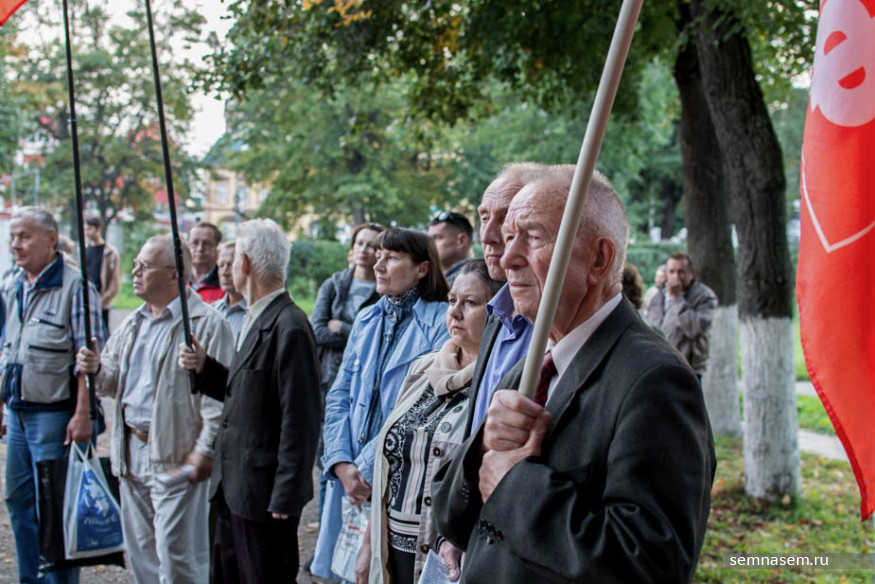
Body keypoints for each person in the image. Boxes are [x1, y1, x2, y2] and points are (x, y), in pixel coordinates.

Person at [432, 172, 716, 583]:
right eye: (509, 237)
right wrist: (481, 452)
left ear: (598, 259)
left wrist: (514, 486)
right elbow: (452, 520)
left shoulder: (656, 381)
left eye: (532, 236)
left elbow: (652, 564)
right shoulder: (531, 366)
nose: (508, 258)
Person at [75, 235, 234, 584]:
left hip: (177, 455)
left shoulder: (205, 324)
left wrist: (204, 450)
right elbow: (111, 382)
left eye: (144, 266)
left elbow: (220, 399)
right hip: (130, 451)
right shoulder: (134, 321)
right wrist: (97, 369)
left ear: (174, 274)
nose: (134, 272)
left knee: (178, 559)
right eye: (136, 264)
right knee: (142, 554)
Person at [178, 218, 322, 583]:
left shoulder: (289, 325)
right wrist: (205, 368)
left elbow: (301, 419)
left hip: (264, 498)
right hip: (234, 488)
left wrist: (287, 494)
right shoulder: (257, 316)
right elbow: (251, 392)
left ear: (244, 263)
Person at [311, 228, 451, 580]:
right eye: (378, 256)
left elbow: (424, 406)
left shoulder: (441, 322)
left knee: (380, 571)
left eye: (391, 258)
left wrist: (366, 467)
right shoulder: (366, 318)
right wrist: (339, 460)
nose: (378, 265)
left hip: (397, 476)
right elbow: (339, 394)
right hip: (351, 475)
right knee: (347, 570)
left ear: (421, 269)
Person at [358, 260, 502, 584]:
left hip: (443, 556)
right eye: (452, 301)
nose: (455, 313)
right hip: (391, 548)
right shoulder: (423, 369)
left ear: (497, 311)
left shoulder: (497, 382)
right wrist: (369, 545)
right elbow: (389, 464)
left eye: (470, 302)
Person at [1, 207, 105, 584]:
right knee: (18, 500)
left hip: (55, 417)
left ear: (50, 240)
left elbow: (89, 360)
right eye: (13, 237)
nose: (16, 245)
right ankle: (30, 579)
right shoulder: (13, 284)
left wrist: (83, 414)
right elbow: (7, 348)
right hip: (18, 414)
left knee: (56, 508)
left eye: (24, 237)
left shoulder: (77, 289)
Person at [465, 163, 546, 436]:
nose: (487, 236)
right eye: (484, 217)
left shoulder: (558, 323)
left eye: (505, 218)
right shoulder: (496, 311)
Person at [311, 223, 384, 397]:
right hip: (329, 375)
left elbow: (378, 340)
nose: (363, 249)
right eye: (360, 243)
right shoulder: (333, 285)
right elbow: (317, 331)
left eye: (371, 246)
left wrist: (343, 328)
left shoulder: (385, 291)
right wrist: (360, 337)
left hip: (367, 378)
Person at [645, 252, 718, 381]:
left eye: (681, 272)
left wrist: (676, 298)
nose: (676, 277)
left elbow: (693, 329)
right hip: (658, 367)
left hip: (688, 370)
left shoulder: (705, 296)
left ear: (692, 273)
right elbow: (652, 330)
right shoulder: (658, 295)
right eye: (671, 271)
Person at [84, 214, 121, 329]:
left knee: (103, 333)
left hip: (102, 303)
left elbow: (115, 281)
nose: (87, 233)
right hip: (87, 302)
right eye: (86, 229)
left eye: (90, 229)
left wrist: (103, 301)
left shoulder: (110, 252)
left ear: (98, 229)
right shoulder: (85, 251)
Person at [212, 240, 248, 340]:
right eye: (221, 265)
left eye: (230, 265)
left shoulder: (255, 313)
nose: (224, 272)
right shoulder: (212, 310)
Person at [427, 212, 473, 286]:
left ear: (461, 241)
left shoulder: (473, 279)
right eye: (429, 239)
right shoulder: (435, 277)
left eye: (437, 237)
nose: (429, 244)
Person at [188, 222, 224, 303]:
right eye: (195, 243)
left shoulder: (226, 282)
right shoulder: (176, 281)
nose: (200, 249)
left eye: (206, 243)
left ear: (217, 247)